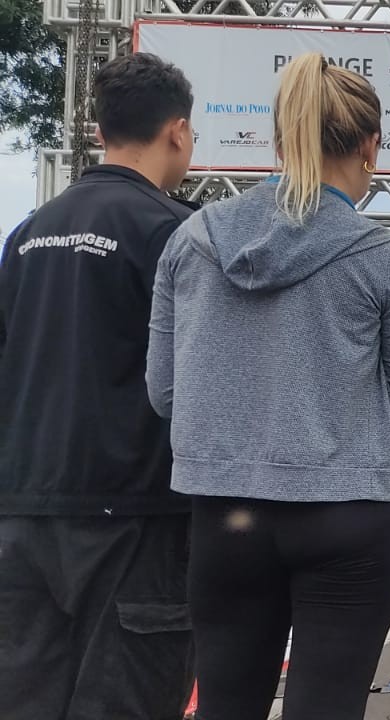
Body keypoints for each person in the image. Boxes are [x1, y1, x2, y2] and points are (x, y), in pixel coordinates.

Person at [147, 52, 390, 719]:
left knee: (225, 703)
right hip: (357, 511)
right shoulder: (383, 255)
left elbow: (165, 395)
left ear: (278, 143)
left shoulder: (191, 240)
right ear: (371, 147)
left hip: (229, 516)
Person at [0, 52, 197, 719]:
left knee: (25, 699)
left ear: (100, 132)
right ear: (177, 131)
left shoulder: (28, 234)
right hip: (134, 519)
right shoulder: (172, 233)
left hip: (24, 511)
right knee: (128, 701)